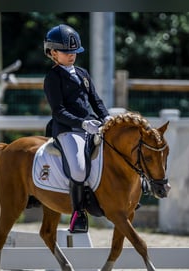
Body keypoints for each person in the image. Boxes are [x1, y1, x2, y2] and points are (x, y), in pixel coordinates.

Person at [43, 24, 112, 233]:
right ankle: (78, 213)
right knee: (79, 169)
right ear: (53, 53)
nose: (71, 55)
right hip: (67, 130)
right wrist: (82, 124)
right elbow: (58, 111)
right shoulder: (52, 78)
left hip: (91, 125)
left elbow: (95, 100)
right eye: (66, 52)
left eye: (74, 52)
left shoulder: (82, 73)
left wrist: (106, 117)